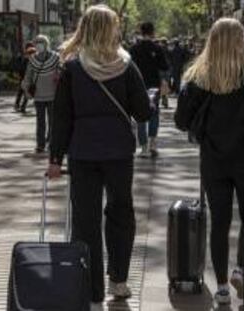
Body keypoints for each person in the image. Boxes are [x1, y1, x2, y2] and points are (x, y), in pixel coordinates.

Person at [47, 5, 151, 310]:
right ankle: (118, 280)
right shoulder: (127, 65)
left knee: (85, 221)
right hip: (119, 152)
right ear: (112, 29)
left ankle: (91, 290)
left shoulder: (72, 68)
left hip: (82, 153)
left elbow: (62, 117)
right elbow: (143, 112)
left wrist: (55, 158)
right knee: (121, 214)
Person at [174, 18, 244, 305]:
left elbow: (181, 120)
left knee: (219, 223)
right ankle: (242, 269)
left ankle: (222, 286)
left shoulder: (199, 78)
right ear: (239, 41)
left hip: (213, 160)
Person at [130, 22, 169, 158]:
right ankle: (153, 143)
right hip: (154, 86)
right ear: (153, 32)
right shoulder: (157, 48)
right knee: (154, 113)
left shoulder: (134, 48)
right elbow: (164, 66)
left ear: (141, 32)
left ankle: (144, 147)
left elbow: (129, 66)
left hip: (138, 85)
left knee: (140, 115)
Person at [23, 34, 60, 153]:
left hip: (53, 95)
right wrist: (27, 90)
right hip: (38, 96)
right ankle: (40, 144)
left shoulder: (56, 58)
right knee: (40, 122)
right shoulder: (32, 60)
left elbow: (61, 73)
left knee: (53, 121)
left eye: (41, 42)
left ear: (46, 44)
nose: (39, 45)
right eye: (37, 42)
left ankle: (53, 142)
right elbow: (28, 76)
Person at [14, 42, 36, 113]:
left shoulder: (25, 57)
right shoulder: (26, 58)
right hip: (25, 77)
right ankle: (20, 106)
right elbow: (22, 68)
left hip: (24, 77)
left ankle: (19, 105)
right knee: (23, 91)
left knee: (22, 91)